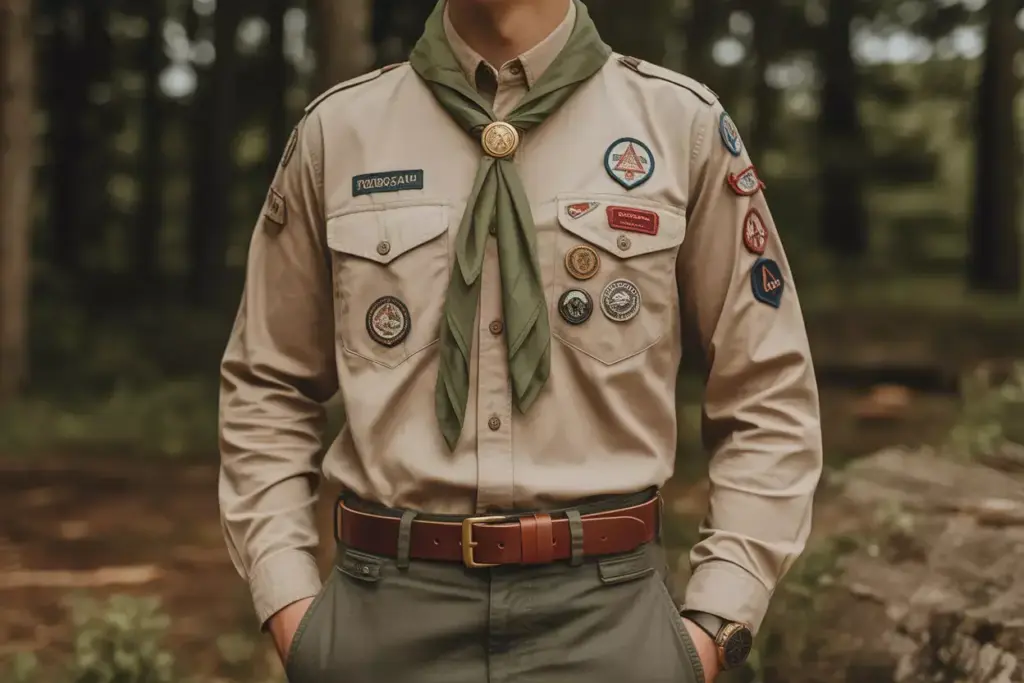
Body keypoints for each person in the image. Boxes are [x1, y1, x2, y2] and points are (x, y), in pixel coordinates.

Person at [218, 0, 823, 680]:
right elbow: (268, 383)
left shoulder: (680, 127)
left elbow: (767, 390)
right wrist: (291, 604)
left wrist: (714, 622)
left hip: (609, 619)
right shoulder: (340, 132)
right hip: (384, 615)